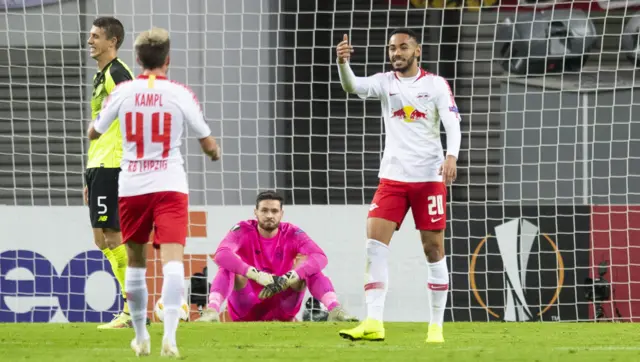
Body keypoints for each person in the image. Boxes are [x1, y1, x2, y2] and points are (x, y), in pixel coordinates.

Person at [88, 27, 221, 357]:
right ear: (168, 59)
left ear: (137, 59)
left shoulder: (123, 91)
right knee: (173, 259)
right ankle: (171, 339)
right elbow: (207, 143)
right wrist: (214, 152)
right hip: (170, 185)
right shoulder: (179, 93)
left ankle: (140, 337)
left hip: (132, 185)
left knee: (135, 261)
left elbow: (95, 132)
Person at [334, 28, 462, 343]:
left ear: (417, 52)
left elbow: (452, 123)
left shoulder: (435, 85)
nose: (396, 53)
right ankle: (374, 322)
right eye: (392, 48)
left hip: (428, 180)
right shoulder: (385, 82)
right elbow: (353, 86)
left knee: (433, 250)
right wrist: (343, 63)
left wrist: (451, 157)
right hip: (392, 178)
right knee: (374, 246)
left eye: (403, 47)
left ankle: (435, 327)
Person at [196, 191, 357, 323]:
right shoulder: (243, 230)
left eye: (274, 211)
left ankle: (335, 309)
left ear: (281, 213)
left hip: (283, 304)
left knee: (308, 266)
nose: (269, 215)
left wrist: (289, 277)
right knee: (227, 266)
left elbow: (320, 256)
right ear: (255, 212)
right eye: (264, 210)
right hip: (247, 306)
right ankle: (212, 311)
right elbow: (221, 254)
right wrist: (256, 275)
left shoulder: (292, 233)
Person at [84, 16, 135, 329]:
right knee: (101, 240)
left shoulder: (118, 73)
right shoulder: (100, 76)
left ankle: (132, 310)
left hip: (113, 164)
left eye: (96, 36)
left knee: (113, 236)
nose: (90, 41)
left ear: (112, 41)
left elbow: (136, 114)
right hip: (97, 165)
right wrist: (86, 176)